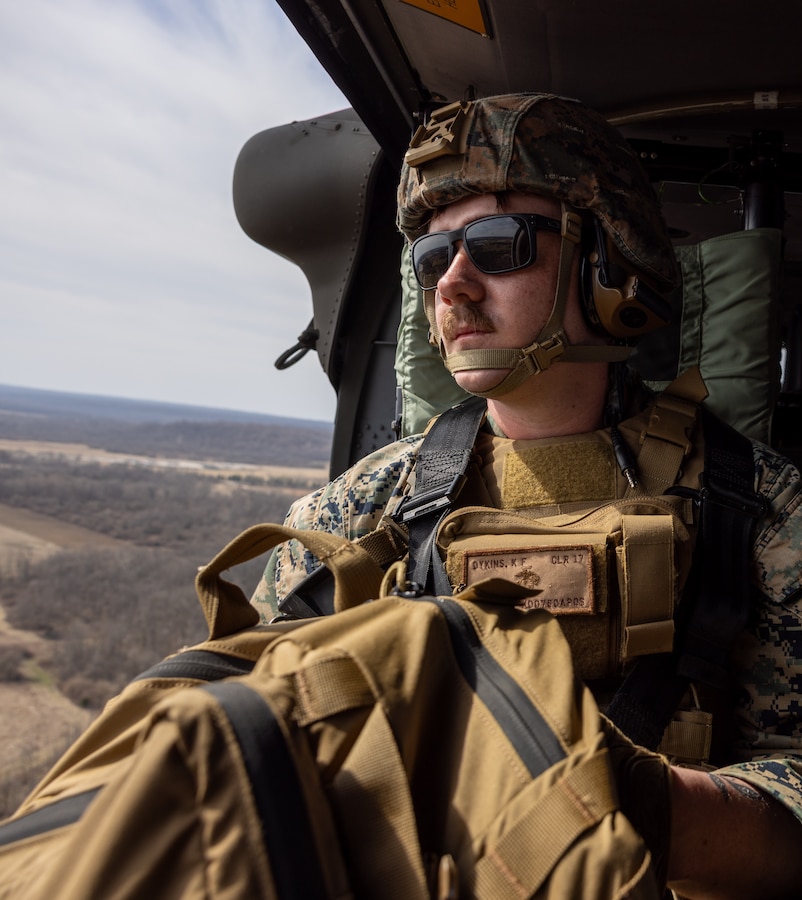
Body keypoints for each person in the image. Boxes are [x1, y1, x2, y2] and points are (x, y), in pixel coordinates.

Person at [252, 93, 802, 898]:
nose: (454, 287)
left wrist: (631, 803)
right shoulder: (358, 512)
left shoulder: (761, 509)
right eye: (433, 261)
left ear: (610, 268)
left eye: (498, 246)